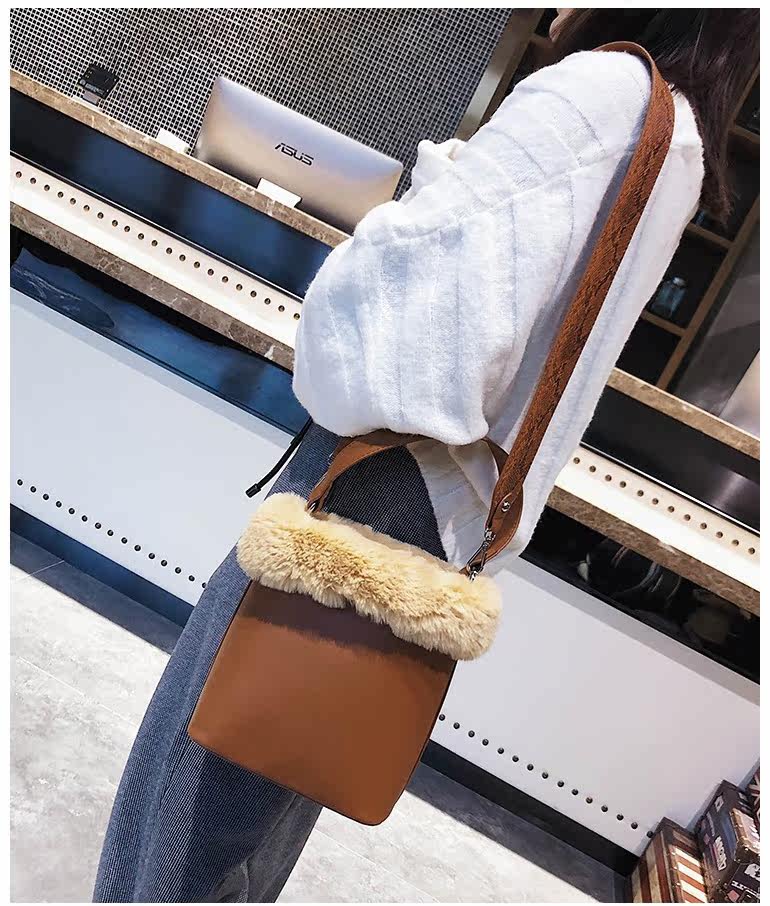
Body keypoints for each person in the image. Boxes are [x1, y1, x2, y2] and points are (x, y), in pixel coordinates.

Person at [94, 9, 758, 902]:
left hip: (388, 473)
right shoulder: (674, 132)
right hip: (447, 502)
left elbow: (421, 307)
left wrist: (421, 197)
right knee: (260, 791)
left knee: (197, 785)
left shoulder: (601, 91)